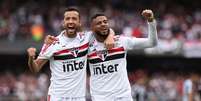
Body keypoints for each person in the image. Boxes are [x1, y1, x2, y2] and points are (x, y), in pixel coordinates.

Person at [27, 7, 114, 101]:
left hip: (79, 98)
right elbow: (35, 68)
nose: (71, 21)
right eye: (67, 19)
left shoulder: (86, 38)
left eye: (74, 18)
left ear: (79, 22)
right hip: (58, 97)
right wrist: (31, 58)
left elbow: (105, 30)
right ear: (63, 22)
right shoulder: (53, 42)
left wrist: (110, 36)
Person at [87, 9, 157, 101]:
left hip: (123, 96)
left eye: (105, 22)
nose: (103, 24)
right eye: (99, 23)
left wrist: (151, 21)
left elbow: (151, 43)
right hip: (101, 97)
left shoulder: (121, 41)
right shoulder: (87, 47)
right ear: (92, 28)